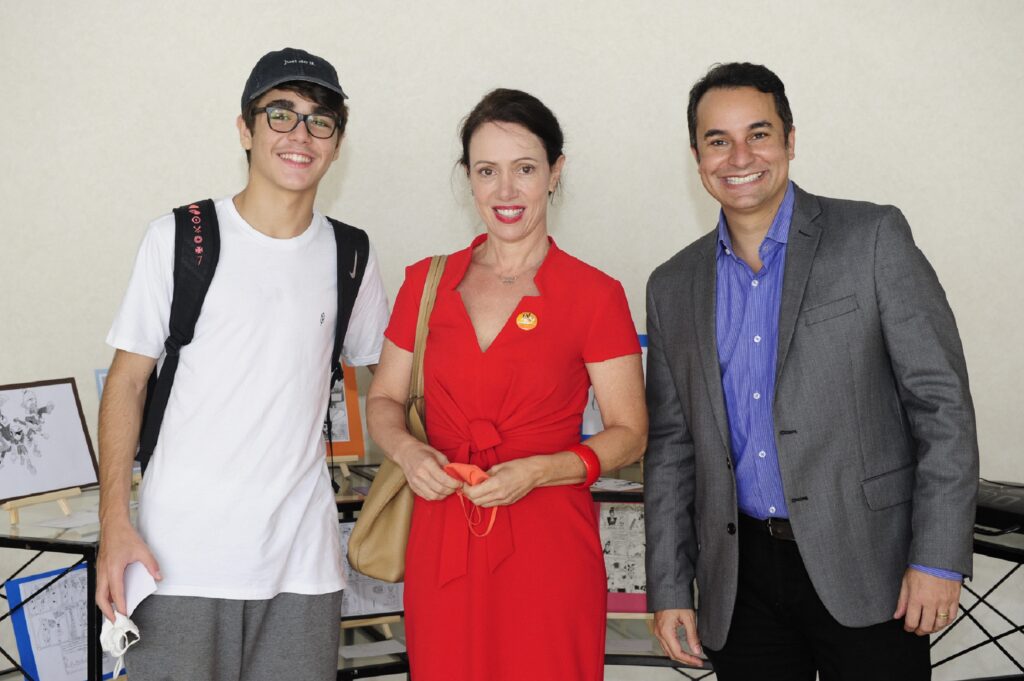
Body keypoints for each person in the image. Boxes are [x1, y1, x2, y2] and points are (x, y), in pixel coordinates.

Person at [644, 62, 979, 680]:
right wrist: (668, 587)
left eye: (759, 133)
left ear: (790, 141)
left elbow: (941, 404)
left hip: (872, 568)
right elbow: (671, 448)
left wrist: (938, 557)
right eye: (718, 140)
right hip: (738, 582)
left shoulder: (872, 236)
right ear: (697, 156)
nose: (739, 155)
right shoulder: (672, 285)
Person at [95, 47, 389, 681]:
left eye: (320, 120)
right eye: (279, 114)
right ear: (245, 129)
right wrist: (115, 524)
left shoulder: (350, 255)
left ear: (337, 144)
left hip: (302, 563)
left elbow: (391, 386)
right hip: (178, 557)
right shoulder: (180, 237)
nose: (299, 135)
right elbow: (127, 383)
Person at [366, 88, 647, 681]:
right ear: (467, 178)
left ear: (555, 172)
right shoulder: (425, 284)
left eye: (525, 169)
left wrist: (540, 470)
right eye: (487, 171)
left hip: (548, 540)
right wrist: (409, 451)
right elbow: (385, 399)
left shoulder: (595, 294)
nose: (506, 191)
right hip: (443, 531)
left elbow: (630, 434)